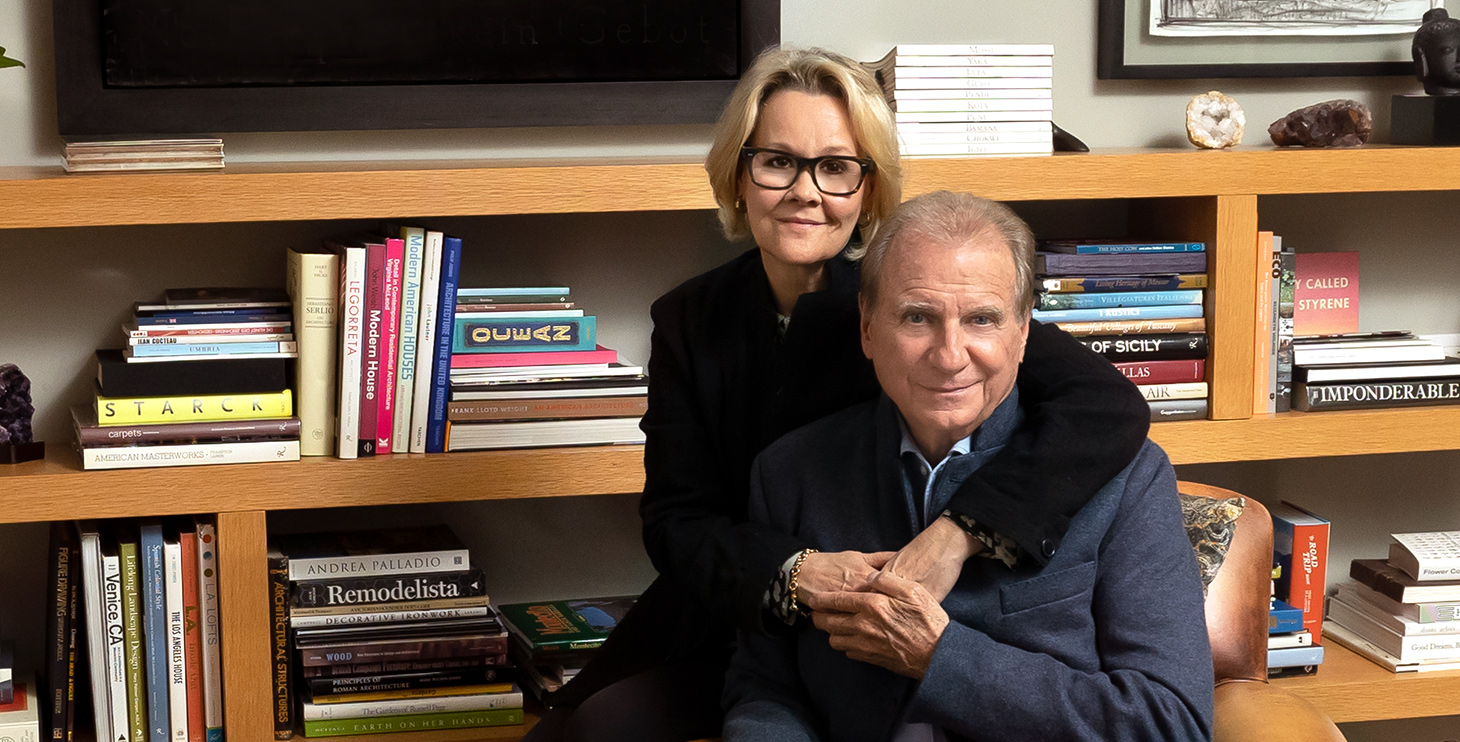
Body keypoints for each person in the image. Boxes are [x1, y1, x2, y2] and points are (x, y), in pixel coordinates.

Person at [524, 47, 1151, 741]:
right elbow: (677, 519)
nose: (806, 191)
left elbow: (1108, 407)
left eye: (836, 167)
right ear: (738, 176)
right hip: (738, 608)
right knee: (580, 729)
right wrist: (795, 574)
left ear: (868, 188)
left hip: (880, 625)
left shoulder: (911, 302)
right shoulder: (689, 318)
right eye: (777, 162)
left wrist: (958, 533)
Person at [722, 191, 1213, 742]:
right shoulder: (787, 473)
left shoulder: (1129, 478)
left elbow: (1170, 724)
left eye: (981, 320)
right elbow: (766, 691)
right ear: (867, 327)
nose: (950, 356)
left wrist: (939, 656)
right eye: (917, 317)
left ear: (1023, 333)